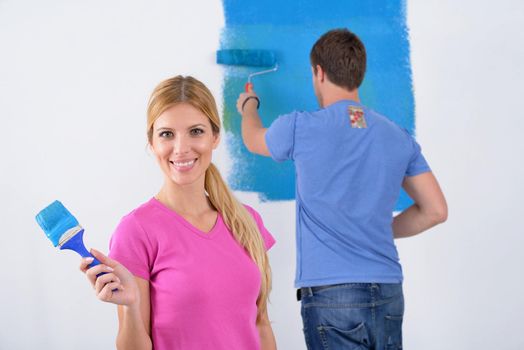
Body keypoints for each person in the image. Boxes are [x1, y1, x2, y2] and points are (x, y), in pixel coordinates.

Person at [236, 28, 447, 349]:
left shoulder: (300, 127)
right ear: (357, 75)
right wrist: (378, 229)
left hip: (333, 295)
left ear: (319, 72)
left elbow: (253, 139)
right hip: (388, 289)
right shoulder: (397, 136)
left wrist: (249, 105)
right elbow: (435, 211)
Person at [80, 76, 277, 350]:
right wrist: (133, 306)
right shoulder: (136, 230)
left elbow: (261, 325)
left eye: (196, 131)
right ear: (152, 143)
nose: (181, 148)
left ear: (215, 137)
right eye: (166, 134)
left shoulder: (247, 221)